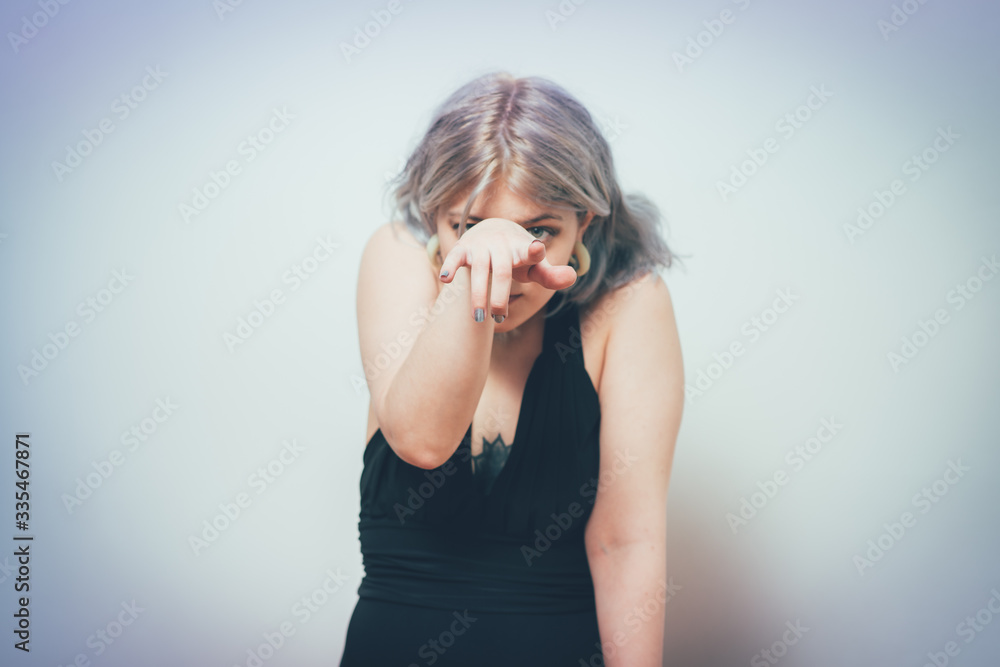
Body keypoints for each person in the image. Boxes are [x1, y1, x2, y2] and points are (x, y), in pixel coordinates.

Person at [340, 70, 684, 667]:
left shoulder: (629, 305)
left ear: (587, 224)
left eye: (539, 232)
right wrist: (475, 270)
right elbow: (421, 439)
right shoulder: (396, 259)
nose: (511, 266)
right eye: (469, 228)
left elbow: (625, 543)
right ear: (433, 216)